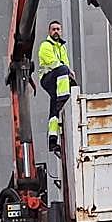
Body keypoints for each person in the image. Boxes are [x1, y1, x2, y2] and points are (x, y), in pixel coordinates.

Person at [38, 20, 77, 153]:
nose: (56, 31)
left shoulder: (62, 47)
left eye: (58, 29)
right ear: (49, 32)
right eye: (53, 29)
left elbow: (65, 63)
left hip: (58, 79)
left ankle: (52, 140)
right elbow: (53, 63)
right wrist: (67, 70)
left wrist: (70, 73)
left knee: (54, 111)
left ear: (61, 31)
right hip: (47, 78)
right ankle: (63, 98)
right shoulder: (45, 45)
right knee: (63, 70)